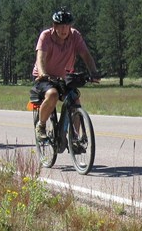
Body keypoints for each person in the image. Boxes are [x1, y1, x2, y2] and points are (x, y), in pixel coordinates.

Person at [31, 7, 100, 141]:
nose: (64, 30)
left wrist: (94, 72)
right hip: (44, 77)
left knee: (75, 100)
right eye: (61, 26)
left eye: (67, 26)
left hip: (64, 78)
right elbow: (40, 57)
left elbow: (85, 54)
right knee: (52, 94)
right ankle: (41, 125)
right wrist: (43, 73)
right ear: (54, 26)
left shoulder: (75, 36)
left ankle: (75, 138)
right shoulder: (46, 36)